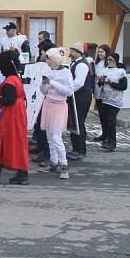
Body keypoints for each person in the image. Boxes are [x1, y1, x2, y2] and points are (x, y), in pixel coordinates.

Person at [0, 52, 30, 185]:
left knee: (1, 141)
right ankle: (20, 173)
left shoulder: (9, 82)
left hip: (11, 115)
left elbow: (8, 100)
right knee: (17, 143)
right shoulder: (16, 79)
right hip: (18, 114)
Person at [37, 47, 74, 179]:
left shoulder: (65, 72)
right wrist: (44, 84)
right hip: (48, 103)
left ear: (54, 60)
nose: (46, 61)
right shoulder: (48, 71)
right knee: (49, 136)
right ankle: (53, 163)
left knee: (56, 137)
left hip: (59, 106)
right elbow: (44, 91)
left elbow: (69, 91)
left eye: (48, 58)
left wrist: (51, 82)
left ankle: (64, 166)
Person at [67, 42, 94, 161]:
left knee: (79, 122)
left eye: (72, 50)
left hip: (81, 97)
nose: (70, 53)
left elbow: (79, 83)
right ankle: (75, 148)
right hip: (76, 96)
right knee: (74, 122)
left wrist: (67, 90)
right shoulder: (75, 63)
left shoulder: (82, 65)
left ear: (78, 52)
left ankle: (80, 150)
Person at [98, 53, 128, 151]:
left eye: (111, 60)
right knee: (106, 120)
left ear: (116, 61)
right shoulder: (106, 70)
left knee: (111, 120)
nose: (109, 62)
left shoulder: (120, 72)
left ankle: (112, 142)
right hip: (105, 99)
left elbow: (123, 87)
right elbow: (99, 84)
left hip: (115, 100)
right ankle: (107, 139)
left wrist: (111, 83)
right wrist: (101, 81)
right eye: (108, 60)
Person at [92, 44, 112, 142]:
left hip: (106, 91)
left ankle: (108, 135)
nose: (100, 54)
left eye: (102, 52)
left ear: (106, 53)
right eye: (99, 52)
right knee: (101, 114)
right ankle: (104, 133)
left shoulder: (108, 63)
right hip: (97, 91)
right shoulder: (96, 63)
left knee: (107, 115)